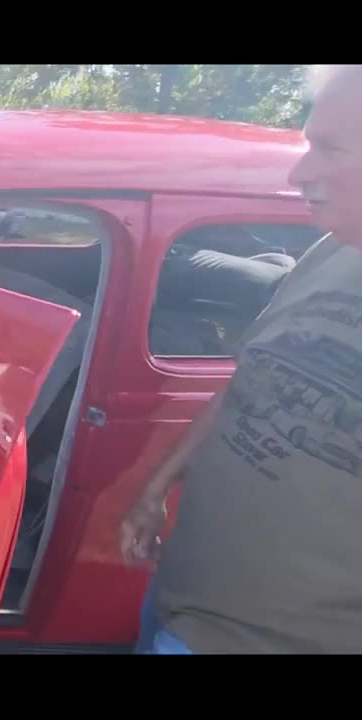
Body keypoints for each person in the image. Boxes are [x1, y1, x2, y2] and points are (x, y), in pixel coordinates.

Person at [121, 64, 362, 654]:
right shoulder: (333, 253)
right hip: (182, 599)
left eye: (329, 149)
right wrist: (157, 484)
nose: (300, 171)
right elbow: (249, 379)